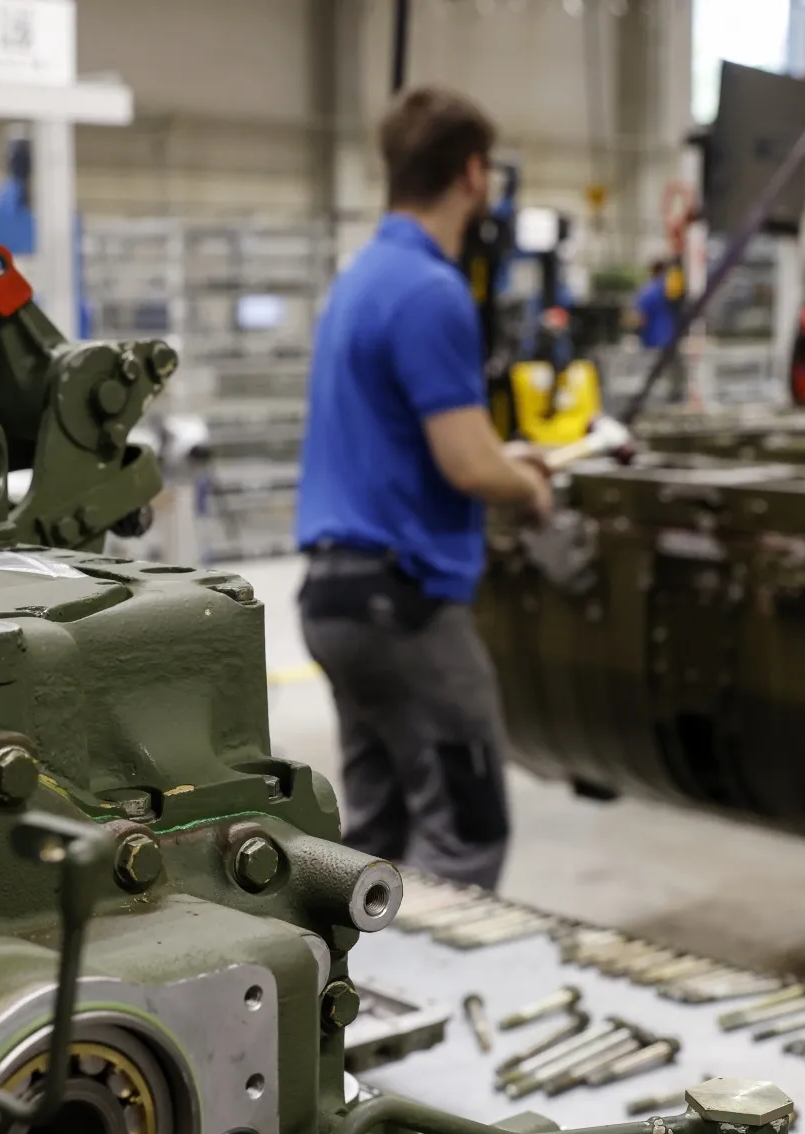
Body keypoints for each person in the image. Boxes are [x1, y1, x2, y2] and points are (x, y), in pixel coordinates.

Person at [293, 86, 553, 892]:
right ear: (474, 174)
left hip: (336, 606)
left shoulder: (361, 278)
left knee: (380, 840)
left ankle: (359, 1011)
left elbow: (415, 438)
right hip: (402, 610)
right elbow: (470, 466)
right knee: (466, 836)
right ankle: (446, 1009)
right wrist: (532, 486)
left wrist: (491, 452)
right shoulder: (432, 292)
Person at [632, 258, 680, 350]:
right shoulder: (670, 288)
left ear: (652, 270)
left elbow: (639, 317)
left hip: (652, 341)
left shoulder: (648, 290)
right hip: (670, 338)